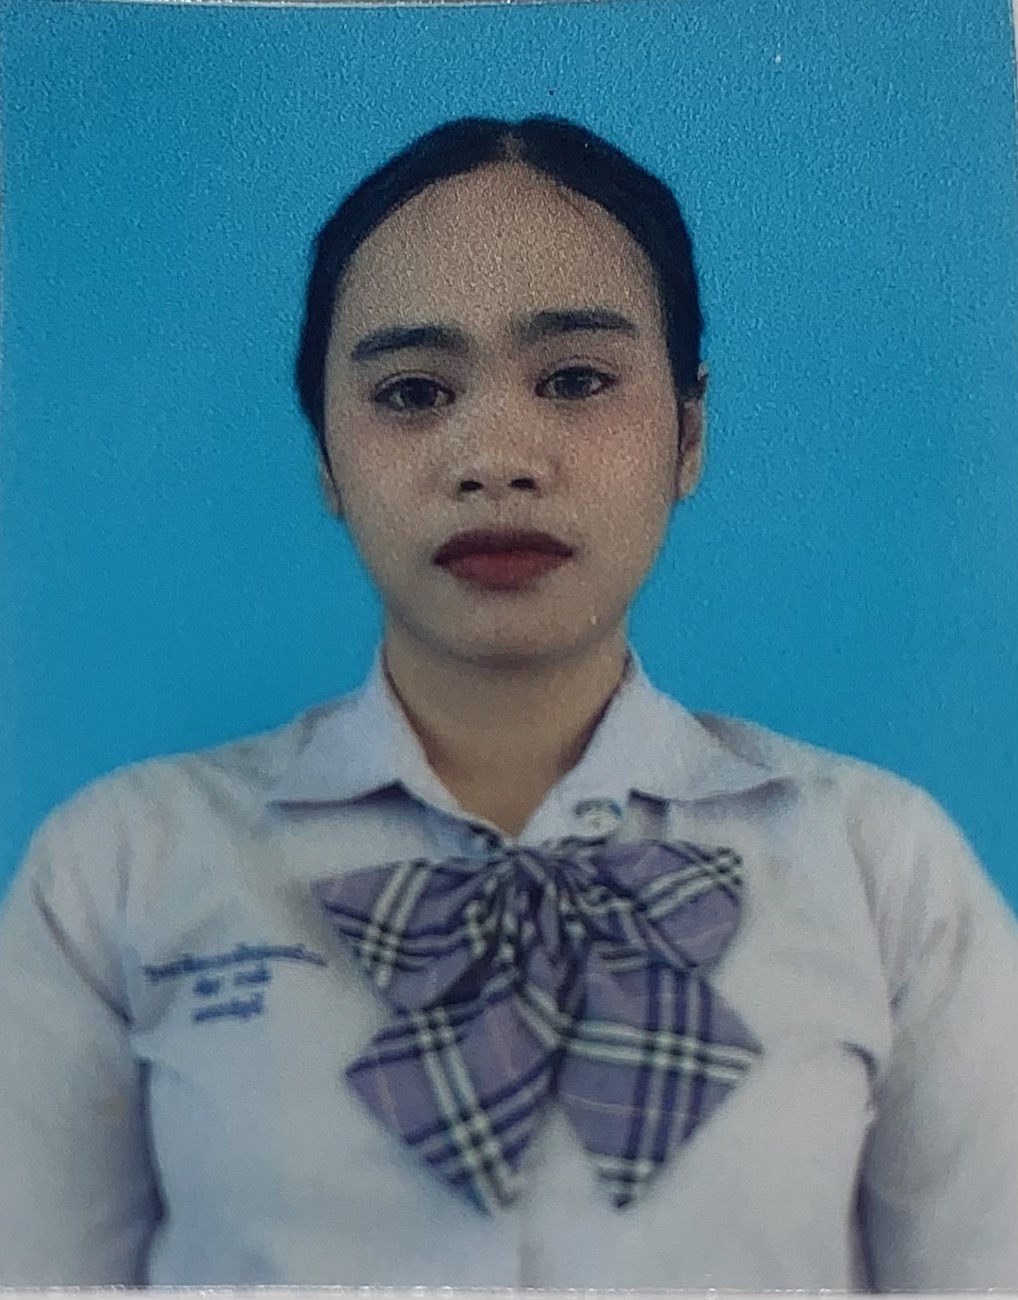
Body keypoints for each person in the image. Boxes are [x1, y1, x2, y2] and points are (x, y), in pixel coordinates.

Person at [0, 115, 1016, 1291]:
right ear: (325, 454)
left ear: (689, 431)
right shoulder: (118, 868)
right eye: (412, 391)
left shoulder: (882, 869)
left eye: (575, 379)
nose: (495, 456)